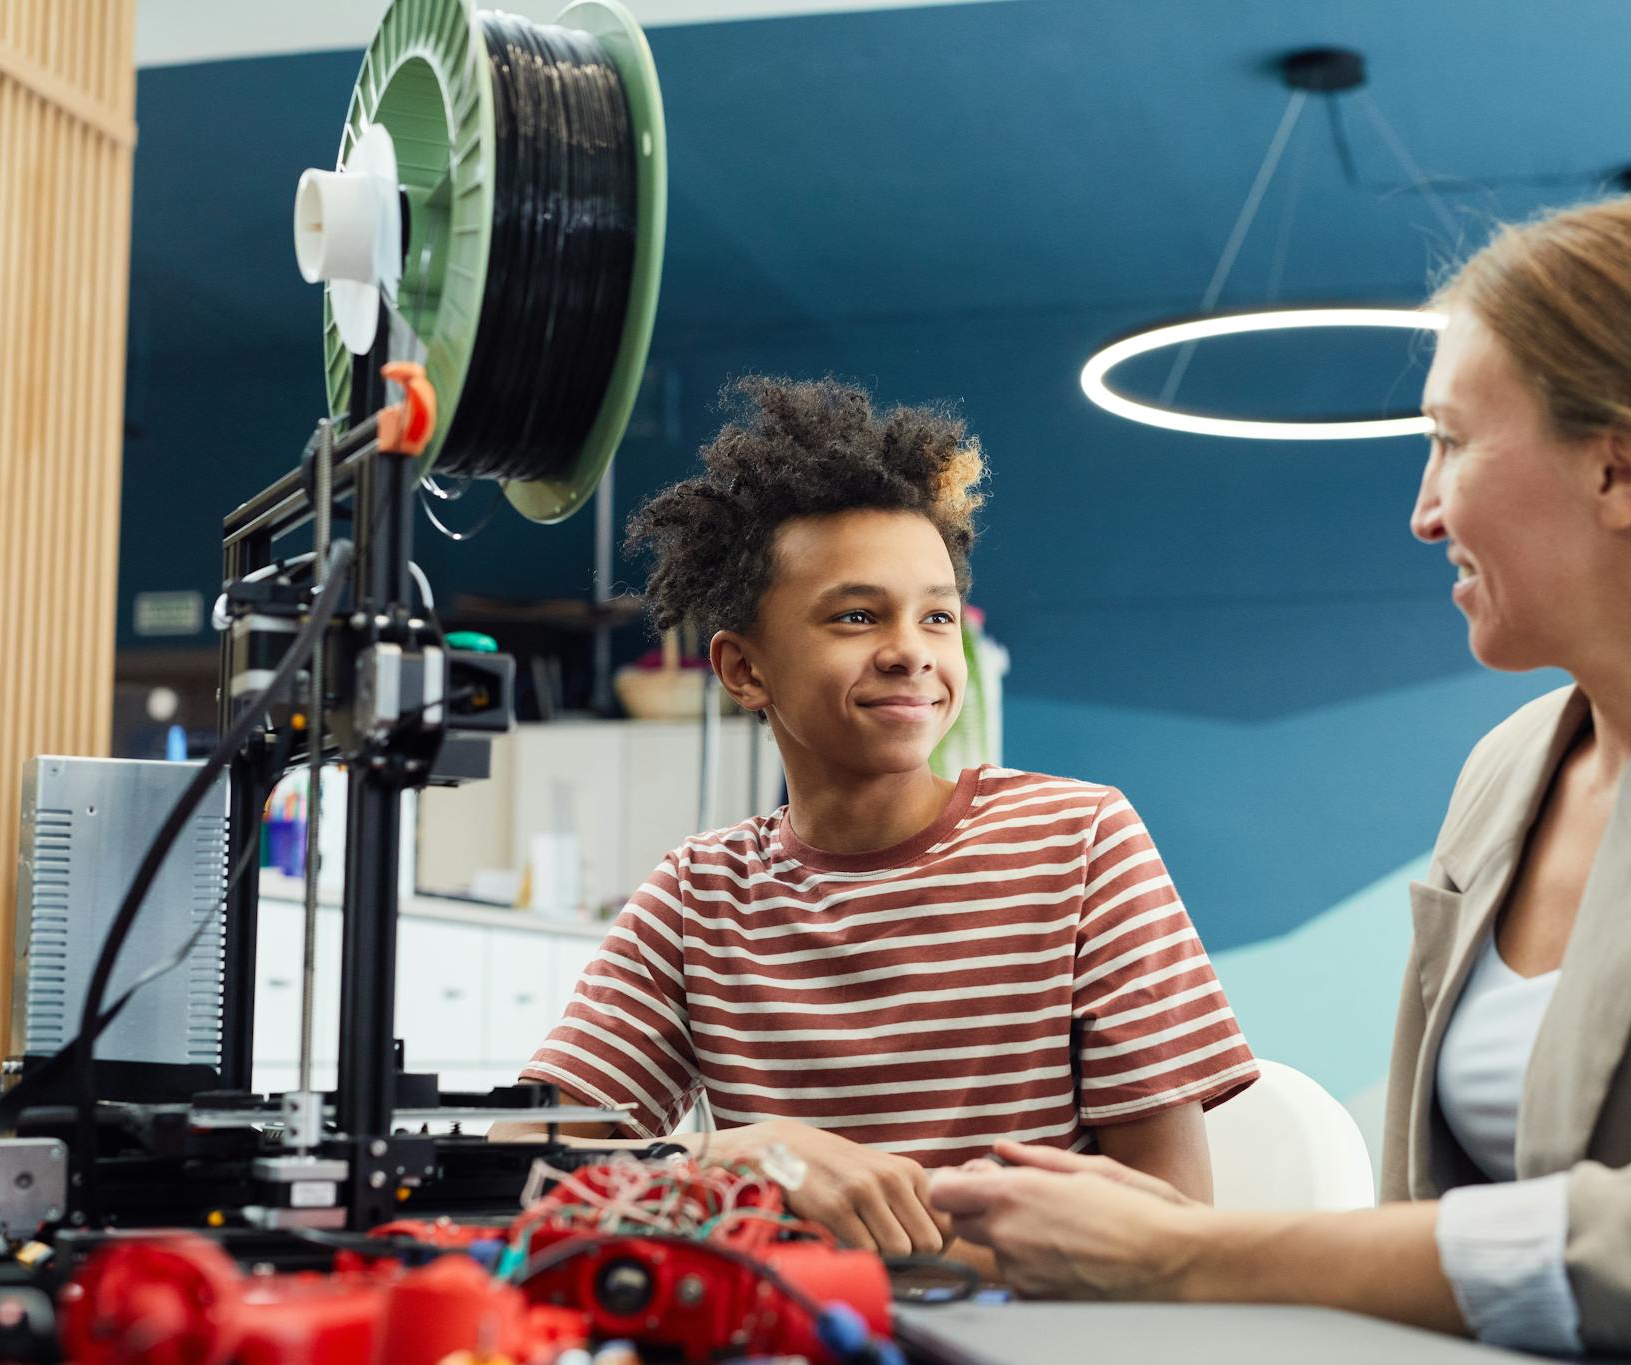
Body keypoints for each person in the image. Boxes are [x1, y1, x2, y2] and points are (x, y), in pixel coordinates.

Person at [929, 196, 1631, 1355]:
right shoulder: (1507, 768)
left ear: (1618, 473)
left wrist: (1185, 1253)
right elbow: (1441, 1226)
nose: (1423, 513)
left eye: (1448, 440)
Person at [494, 376, 1257, 1263]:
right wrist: (737, 1155)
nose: (910, 650)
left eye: (936, 615)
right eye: (857, 615)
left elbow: (1171, 1223)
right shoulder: (699, 895)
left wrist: (917, 1262)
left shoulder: (1080, 841)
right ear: (744, 669)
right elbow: (528, 1166)